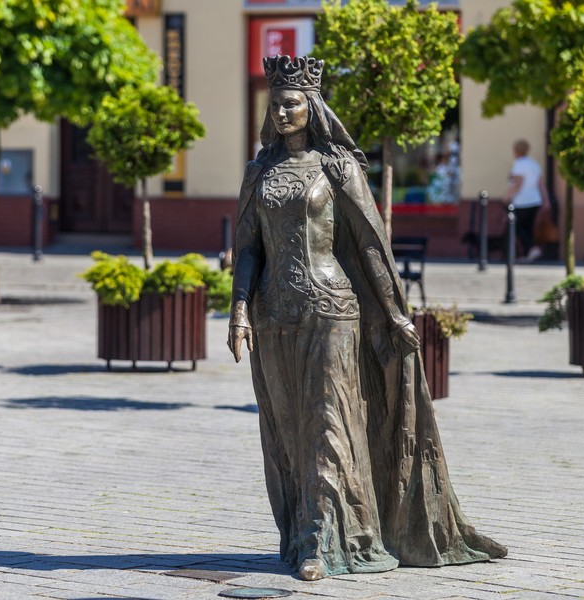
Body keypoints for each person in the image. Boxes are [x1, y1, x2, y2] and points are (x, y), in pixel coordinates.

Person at [228, 55, 506, 581]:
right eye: (277, 104)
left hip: (332, 309)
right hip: (272, 315)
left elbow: (371, 245)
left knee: (328, 423)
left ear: (312, 107)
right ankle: (300, 533)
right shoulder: (258, 172)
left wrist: (395, 313)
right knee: (287, 430)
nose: (283, 112)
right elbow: (247, 248)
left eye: (293, 104)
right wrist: (239, 309)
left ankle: (325, 540)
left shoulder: (338, 168)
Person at [504, 139, 549, 262]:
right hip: (535, 200)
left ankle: (532, 248)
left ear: (516, 151)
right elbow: (541, 184)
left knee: (517, 227)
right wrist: (546, 200)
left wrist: (507, 196)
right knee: (528, 227)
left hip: (522, 201)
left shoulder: (519, 164)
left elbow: (518, 183)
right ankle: (529, 253)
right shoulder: (534, 164)